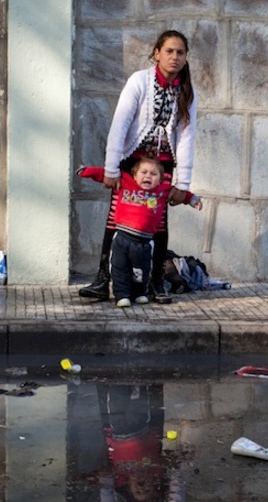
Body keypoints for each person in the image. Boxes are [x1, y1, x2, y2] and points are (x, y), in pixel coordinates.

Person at [79, 30, 200, 304]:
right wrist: (111, 168)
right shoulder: (140, 81)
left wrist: (183, 185)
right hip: (133, 163)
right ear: (156, 53)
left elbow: (187, 137)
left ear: (185, 57)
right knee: (117, 218)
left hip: (163, 166)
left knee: (156, 223)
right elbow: (120, 124)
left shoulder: (187, 91)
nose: (175, 57)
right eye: (169, 51)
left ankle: (156, 282)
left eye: (180, 52)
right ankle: (103, 279)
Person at [77, 158, 201, 307]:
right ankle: (122, 295)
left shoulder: (163, 190)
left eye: (153, 174)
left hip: (144, 242)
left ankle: (140, 293)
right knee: (119, 268)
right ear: (135, 175)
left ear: (161, 179)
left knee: (142, 270)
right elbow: (103, 174)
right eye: (144, 172)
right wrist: (86, 171)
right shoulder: (125, 181)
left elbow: (183, 194)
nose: (148, 176)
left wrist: (193, 199)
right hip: (122, 238)